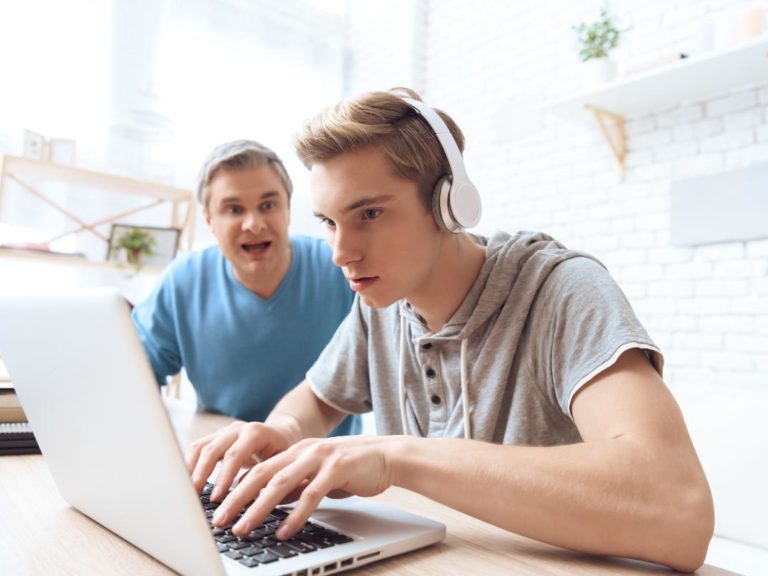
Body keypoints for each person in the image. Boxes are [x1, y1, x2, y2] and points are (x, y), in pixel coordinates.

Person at [187, 92, 713, 571]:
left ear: (450, 203)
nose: (340, 252)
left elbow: (679, 509)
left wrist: (393, 457)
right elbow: (319, 402)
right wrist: (282, 435)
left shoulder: (562, 290)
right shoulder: (381, 302)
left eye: (368, 213)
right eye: (327, 221)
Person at [132, 140, 360, 435]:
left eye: (268, 205)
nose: (253, 224)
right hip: (222, 457)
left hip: (323, 466)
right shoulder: (182, 282)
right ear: (209, 220)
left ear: (288, 209)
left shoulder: (343, 271)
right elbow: (136, 373)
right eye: (234, 209)